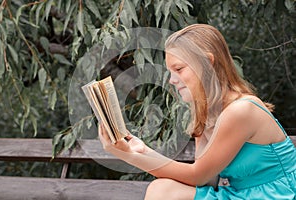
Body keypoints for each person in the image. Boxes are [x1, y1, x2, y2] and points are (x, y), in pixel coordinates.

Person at [98, 24, 296, 199]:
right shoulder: (208, 111)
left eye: (179, 69)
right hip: (239, 195)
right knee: (162, 190)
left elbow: (197, 175)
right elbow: (206, 180)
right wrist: (143, 151)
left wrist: (128, 157)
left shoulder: (242, 110)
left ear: (208, 63)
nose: (172, 80)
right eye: (170, 72)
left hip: (276, 195)